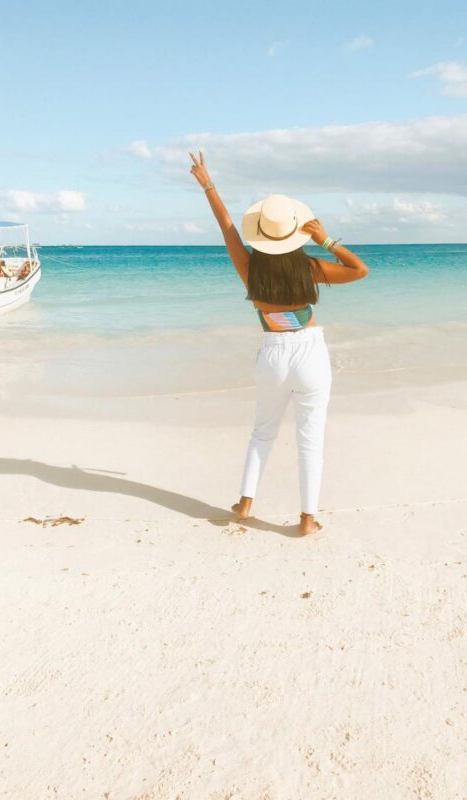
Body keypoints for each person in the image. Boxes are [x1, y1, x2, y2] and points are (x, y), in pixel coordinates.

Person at [189, 151, 369, 535]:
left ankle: (246, 502)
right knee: (310, 438)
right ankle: (306, 519)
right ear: (296, 231)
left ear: (262, 233)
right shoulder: (311, 268)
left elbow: (225, 226)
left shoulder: (249, 268)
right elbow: (360, 270)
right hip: (309, 353)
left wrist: (207, 184)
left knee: (262, 431)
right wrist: (326, 239)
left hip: (272, 354)